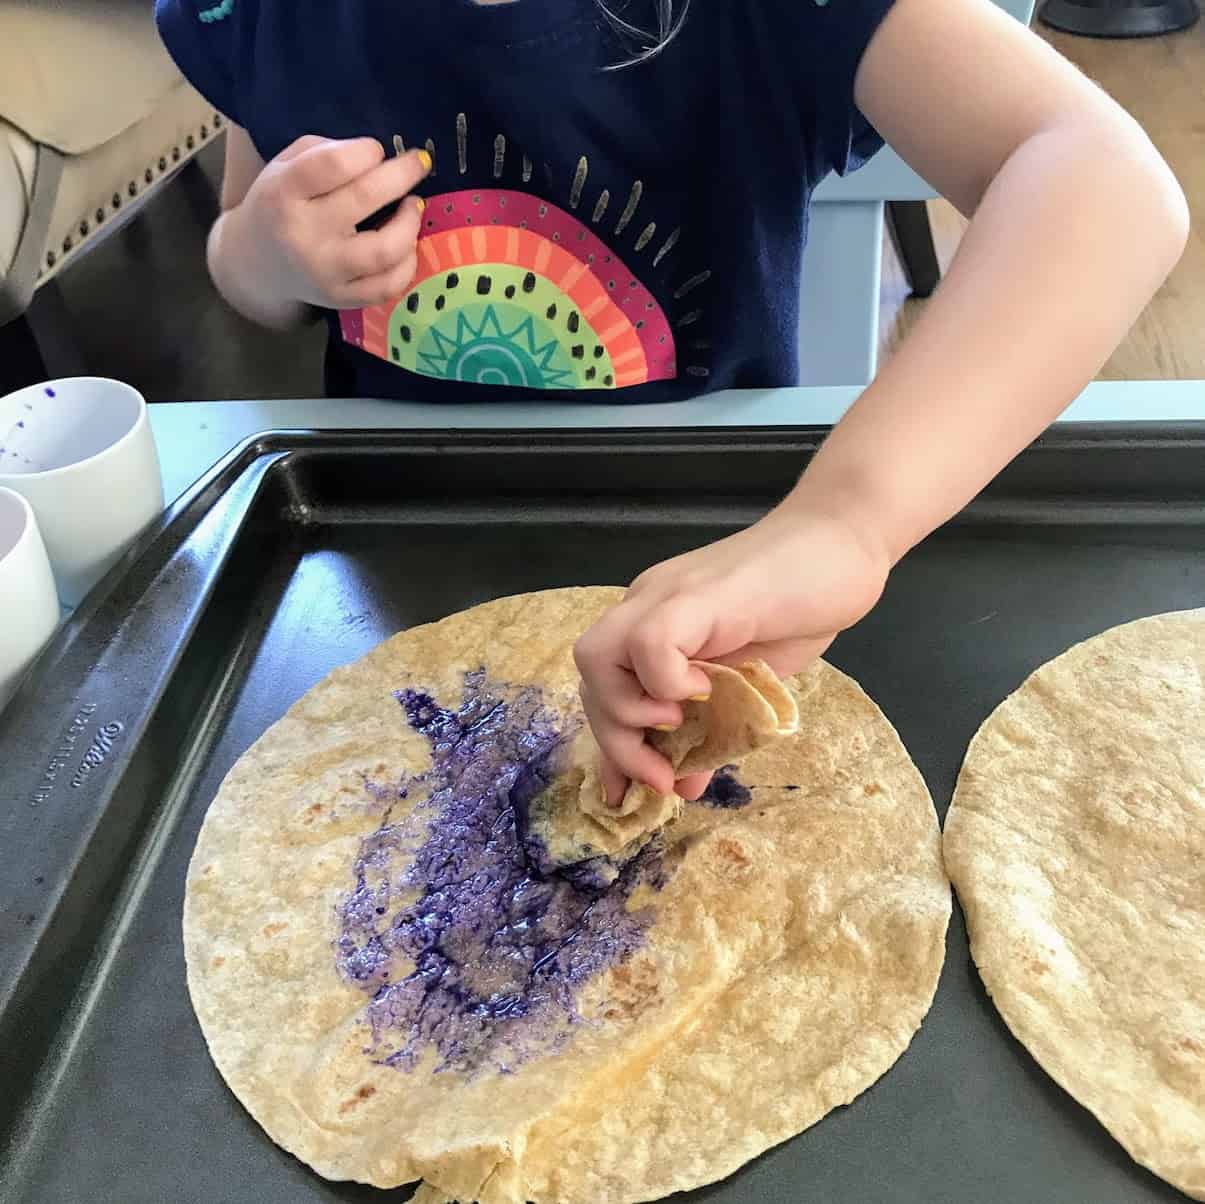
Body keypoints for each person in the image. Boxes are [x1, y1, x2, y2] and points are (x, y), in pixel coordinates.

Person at [156, 0, 1187, 804]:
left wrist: (846, 522)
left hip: (725, 556)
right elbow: (244, 257)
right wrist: (265, 254)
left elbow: (1100, 180)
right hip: (371, 545)